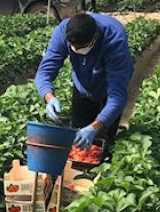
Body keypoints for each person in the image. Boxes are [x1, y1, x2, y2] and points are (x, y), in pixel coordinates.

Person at [35, 13, 134, 151]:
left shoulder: (114, 39)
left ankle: (103, 164)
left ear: (95, 37)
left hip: (108, 86)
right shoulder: (63, 32)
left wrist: (95, 127)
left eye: (82, 47)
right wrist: (49, 97)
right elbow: (44, 72)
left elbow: (117, 96)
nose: (77, 50)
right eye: (74, 47)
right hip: (83, 84)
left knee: (103, 140)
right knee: (77, 138)